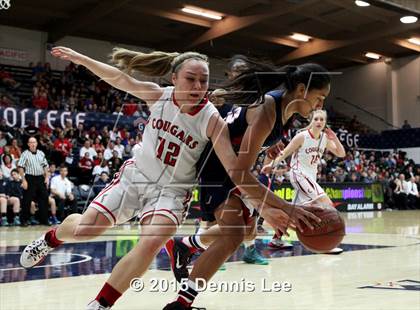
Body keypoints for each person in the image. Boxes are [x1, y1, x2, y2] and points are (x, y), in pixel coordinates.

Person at [20, 46, 318, 310]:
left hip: (172, 191)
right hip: (135, 177)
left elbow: (234, 167)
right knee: (85, 229)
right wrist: (81, 58)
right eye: (191, 78)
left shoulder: (212, 119)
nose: (198, 85)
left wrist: (261, 201)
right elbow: (119, 78)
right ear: (174, 78)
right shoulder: (157, 95)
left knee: (151, 243)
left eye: (203, 80)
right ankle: (52, 237)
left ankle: (100, 303)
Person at [164, 61, 331, 309]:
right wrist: (285, 207)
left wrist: (266, 143)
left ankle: (186, 245)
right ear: (300, 90)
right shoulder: (269, 109)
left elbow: (241, 124)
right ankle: (181, 303)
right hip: (217, 168)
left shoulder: (284, 108)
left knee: (246, 233)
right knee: (233, 236)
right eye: (320, 97)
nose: (321, 105)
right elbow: (240, 173)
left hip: (231, 166)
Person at [264, 110, 346, 254]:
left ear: (325, 122)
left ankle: (276, 239)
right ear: (311, 120)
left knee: (298, 212)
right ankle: (328, 243)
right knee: (325, 204)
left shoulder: (324, 139)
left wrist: (335, 138)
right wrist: (272, 165)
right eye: (316, 119)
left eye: (322, 119)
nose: (319, 122)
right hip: (298, 174)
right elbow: (285, 152)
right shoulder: (302, 136)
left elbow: (341, 153)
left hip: (310, 178)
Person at [17, 137, 50, 226]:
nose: (33, 144)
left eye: (34, 142)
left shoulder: (41, 153)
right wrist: (23, 180)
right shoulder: (25, 154)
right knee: (27, 200)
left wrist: (47, 177)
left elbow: (45, 166)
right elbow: (20, 167)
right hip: (30, 178)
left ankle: (43, 219)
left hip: (40, 178)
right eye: (31, 142)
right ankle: (24, 220)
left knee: (44, 198)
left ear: (36, 143)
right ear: (28, 144)